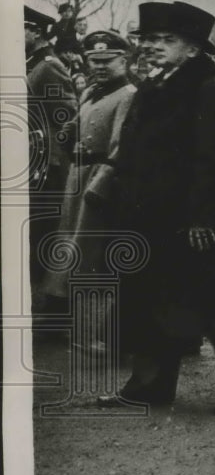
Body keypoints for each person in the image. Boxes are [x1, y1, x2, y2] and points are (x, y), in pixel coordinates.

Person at [101, 1, 215, 413]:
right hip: (153, 218)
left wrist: (202, 217)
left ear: (193, 49)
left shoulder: (208, 88)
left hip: (193, 222)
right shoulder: (155, 83)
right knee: (153, 301)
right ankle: (150, 385)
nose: (154, 47)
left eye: (167, 40)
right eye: (150, 39)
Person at [44, 30, 135, 351]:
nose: (98, 66)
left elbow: (120, 147)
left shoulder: (128, 95)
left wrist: (100, 186)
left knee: (89, 256)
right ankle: (58, 323)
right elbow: (76, 126)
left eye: (107, 61)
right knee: (66, 249)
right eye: (94, 60)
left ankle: (92, 333)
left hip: (98, 181)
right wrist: (68, 134)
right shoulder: (92, 92)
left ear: (124, 60)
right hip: (77, 175)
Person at [25, 6, 78, 316]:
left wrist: (46, 149)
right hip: (31, 165)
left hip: (46, 167)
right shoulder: (32, 63)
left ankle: (50, 309)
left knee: (44, 235)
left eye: (20, 29)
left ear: (36, 31)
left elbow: (68, 115)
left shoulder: (49, 66)